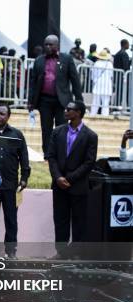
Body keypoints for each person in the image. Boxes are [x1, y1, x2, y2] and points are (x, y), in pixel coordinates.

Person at [47, 101, 98, 246]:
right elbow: (51, 156)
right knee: (60, 220)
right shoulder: (57, 131)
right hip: (59, 186)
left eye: (69, 109)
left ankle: (77, 254)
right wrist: (58, 177)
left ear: (78, 113)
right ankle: (61, 253)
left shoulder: (90, 136)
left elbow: (89, 163)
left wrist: (69, 179)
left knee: (79, 222)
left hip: (78, 186)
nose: (65, 111)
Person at [28, 35, 83, 160]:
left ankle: (61, 153)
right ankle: (47, 154)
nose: (47, 46)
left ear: (57, 46)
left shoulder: (67, 59)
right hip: (44, 100)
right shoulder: (39, 60)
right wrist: (30, 101)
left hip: (62, 102)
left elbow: (75, 81)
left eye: (50, 44)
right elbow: (33, 82)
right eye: (46, 44)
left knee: (62, 128)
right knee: (46, 129)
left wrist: (79, 101)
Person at [0, 103, 30, 257]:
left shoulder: (17, 135)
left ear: (8, 116)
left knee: (11, 220)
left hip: (11, 187)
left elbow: (24, 158)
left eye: (2, 114)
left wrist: (24, 178)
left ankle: (11, 252)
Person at [90, 49, 113, 116]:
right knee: (105, 103)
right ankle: (105, 116)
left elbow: (93, 75)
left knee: (95, 102)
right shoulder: (109, 64)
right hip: (107, 84)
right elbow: (111, 75)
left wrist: (94, 81)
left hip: (98, 84)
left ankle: (92, 115)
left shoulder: (97, 63)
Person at [113, 39, 131, 108]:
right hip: (124, 77)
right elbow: (125, 66)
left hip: (118, 76)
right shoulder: (124, 54)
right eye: (128, 44)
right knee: (127, 93)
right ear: (125, 44)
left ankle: (116, 108)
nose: (129, 46)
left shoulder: (117, 54)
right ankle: (129, 108)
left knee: (118, 94)